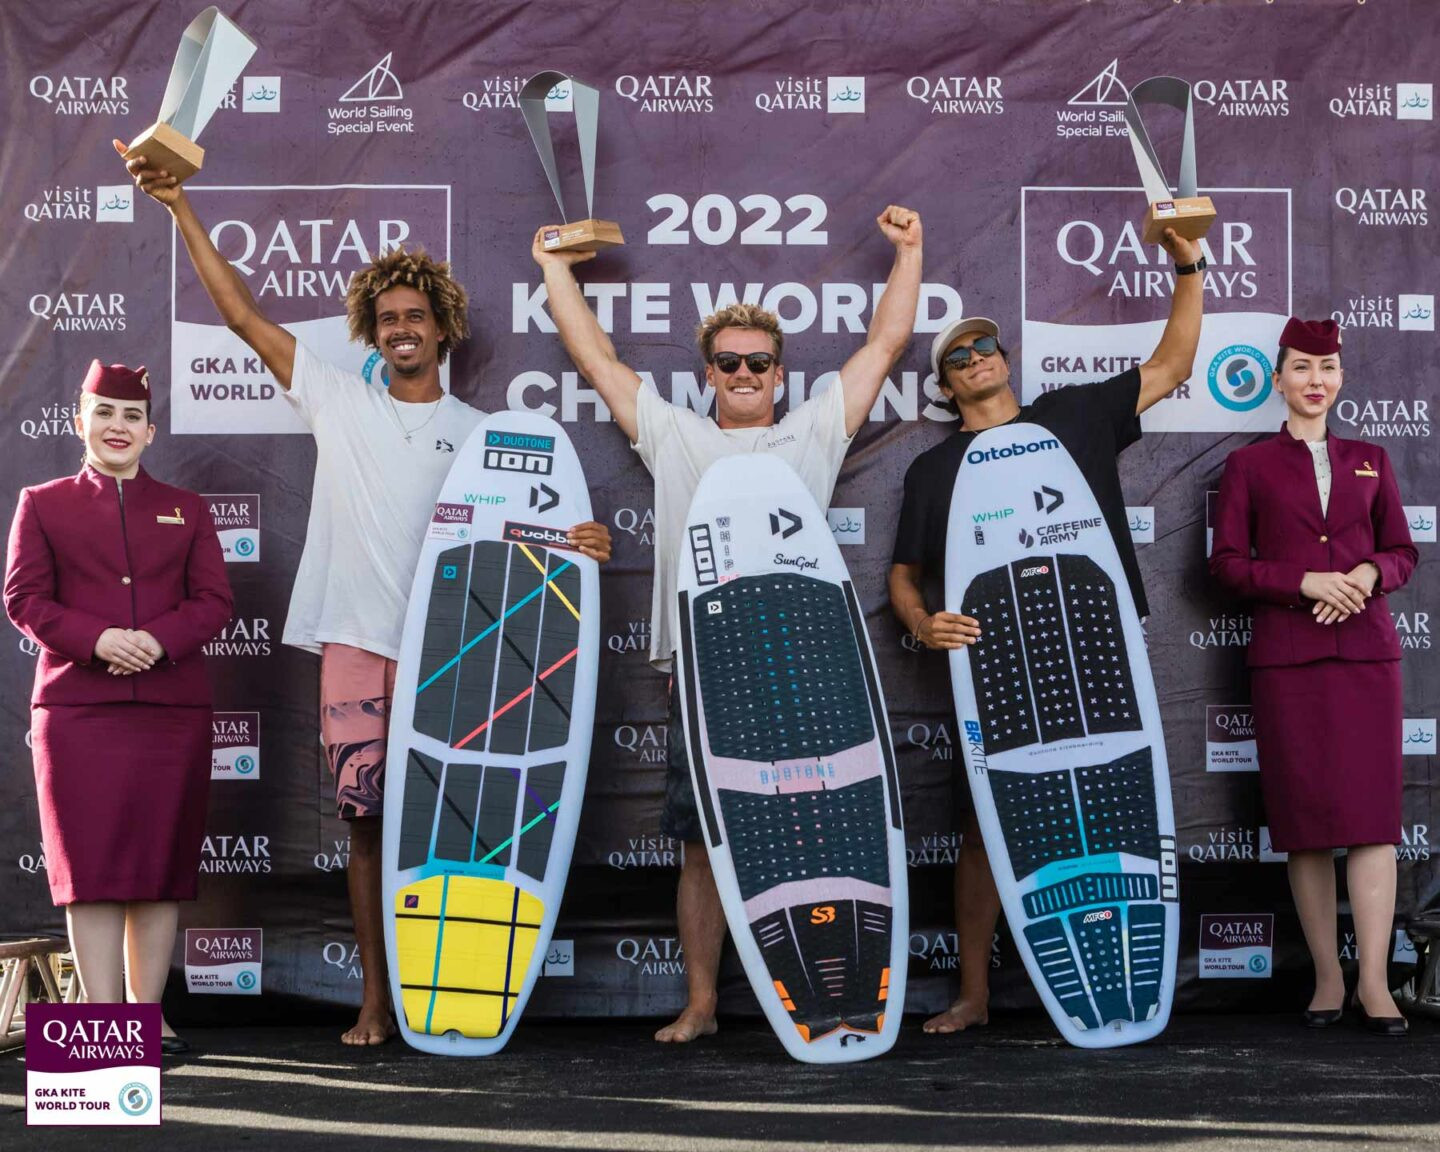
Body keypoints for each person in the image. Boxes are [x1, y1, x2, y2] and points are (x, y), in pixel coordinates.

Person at [120, 142, 612, 1045]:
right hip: (356, 640)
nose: (400, 328)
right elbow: (239, 315)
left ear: (443, 326)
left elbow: (526, 536)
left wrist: (581, 540)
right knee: (367, 828)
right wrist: (180, 208)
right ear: (369, 328)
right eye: (386, 317)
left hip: (450, 652)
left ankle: (450, 995)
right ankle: (377, 1003)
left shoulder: (481, 435)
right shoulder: (338, 401)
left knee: (460, 829)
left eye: (415, 314)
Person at [534, 205, 923, 1042]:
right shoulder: (673, 437)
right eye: (728, 362)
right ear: (707, 374)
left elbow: (885, 346)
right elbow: (594, 356)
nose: (744, 373)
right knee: (703, 842)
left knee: (823, 834)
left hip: (810, 668)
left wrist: (910, 252)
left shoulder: (814, 432)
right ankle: (704, 1004)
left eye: (759, 362)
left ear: (781, 373)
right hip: (707, 675)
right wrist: (557, 271)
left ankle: (835, 996)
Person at [888, 226, 1204, 1033]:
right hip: (993, 675)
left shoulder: (1075, 413)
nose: (975, 360)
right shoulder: (934, 469)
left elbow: (1173, 365)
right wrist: (925, 624)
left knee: (1125, 800)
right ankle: (974, 994)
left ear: (1004, 356)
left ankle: (1131, 970)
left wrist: (1187, 263)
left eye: (983, 345)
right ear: (946, 388)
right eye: (956, 359)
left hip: (1100, 651)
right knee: (985, 827)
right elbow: (902, 574)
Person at [5, 361, 233, 1054]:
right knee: (93, 874)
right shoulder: (41, 502)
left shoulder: (187, 508)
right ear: (80, 421)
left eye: (131, 416)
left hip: (170, 714)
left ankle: (148, 1014)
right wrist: (98, 640)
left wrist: (155, 643)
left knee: (159, 870)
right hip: (78, 714)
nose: (117, 426)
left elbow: (215, 603)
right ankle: (102, 1025)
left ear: (150, 431)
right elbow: (23, 600)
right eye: (104, 412)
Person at [1210, 317, 1415, 1035]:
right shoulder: (1249, 466)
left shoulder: (1371, 459)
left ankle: (1375, 983)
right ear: (1278, 379)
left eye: (1325, 367)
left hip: (1365, 659)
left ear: (1341, 378)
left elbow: (1402, 554)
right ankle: (1327, 978)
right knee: (1303, 828)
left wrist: (1364, 571)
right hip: (1289, 661)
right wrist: (1305, 582)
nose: (1315, 380)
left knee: (1372, 826)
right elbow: (1227, 566)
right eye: (1300, 367)